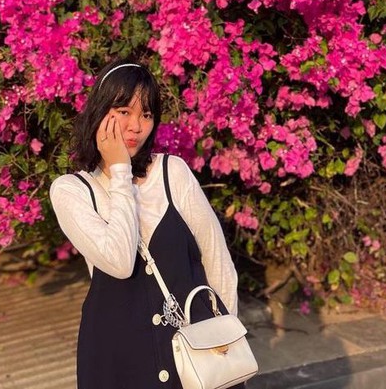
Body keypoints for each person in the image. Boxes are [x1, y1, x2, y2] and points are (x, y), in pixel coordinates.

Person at [50, 58, 245, 389]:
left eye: (146, 114)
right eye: (124, 111)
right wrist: (120, 172)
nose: (136, 126)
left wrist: (226, 330)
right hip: (120, 361)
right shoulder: (71, 191)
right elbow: (120, 262)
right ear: (99, 110)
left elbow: (217, 260)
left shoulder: (173, 173)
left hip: (196, 350)